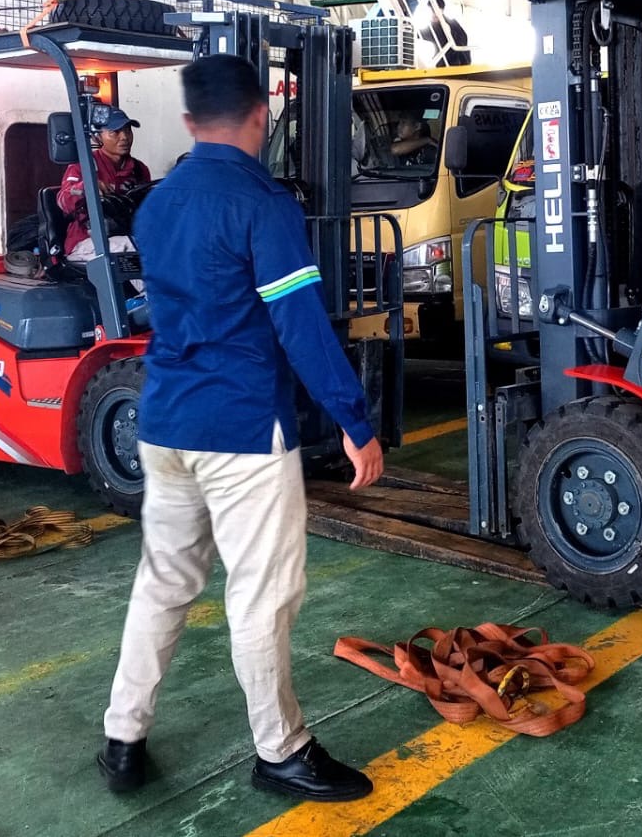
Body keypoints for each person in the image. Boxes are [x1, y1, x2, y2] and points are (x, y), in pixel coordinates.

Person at [97, 55, 383, 803]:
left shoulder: (155, 206)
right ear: (261, 114)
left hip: (163, 423)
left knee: (162, 583)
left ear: (189, 121)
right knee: (260, 595)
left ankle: (122, 736)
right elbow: (301, 325)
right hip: (242, 431)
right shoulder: (263, 205)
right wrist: (355, 421)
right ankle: (281, 751)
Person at [57, 106, 151, 265]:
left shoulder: (139, 170)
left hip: (126, 235)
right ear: (97, 138)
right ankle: (146, 291)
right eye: (115, 132)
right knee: (128, 247)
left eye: (127, 131)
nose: (124, 137)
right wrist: (86, 187)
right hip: (86, 242)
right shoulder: (83, 166)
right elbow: (63, 200)